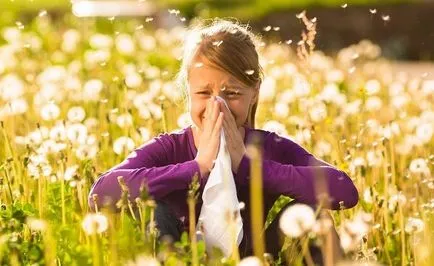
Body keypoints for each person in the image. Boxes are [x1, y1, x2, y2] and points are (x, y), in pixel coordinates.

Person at [88, 18, 359, 263]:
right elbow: (100, 193)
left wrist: (249, 165)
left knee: (313, 214)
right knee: (149, 210)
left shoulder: (268, 147)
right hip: (177, 256)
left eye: (231, 93)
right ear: (188, 93)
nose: (217, 105)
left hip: (256, 259)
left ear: (254, 93)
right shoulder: (171, 147)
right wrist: (197, 167)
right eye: (204, 93)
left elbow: (344, 191)